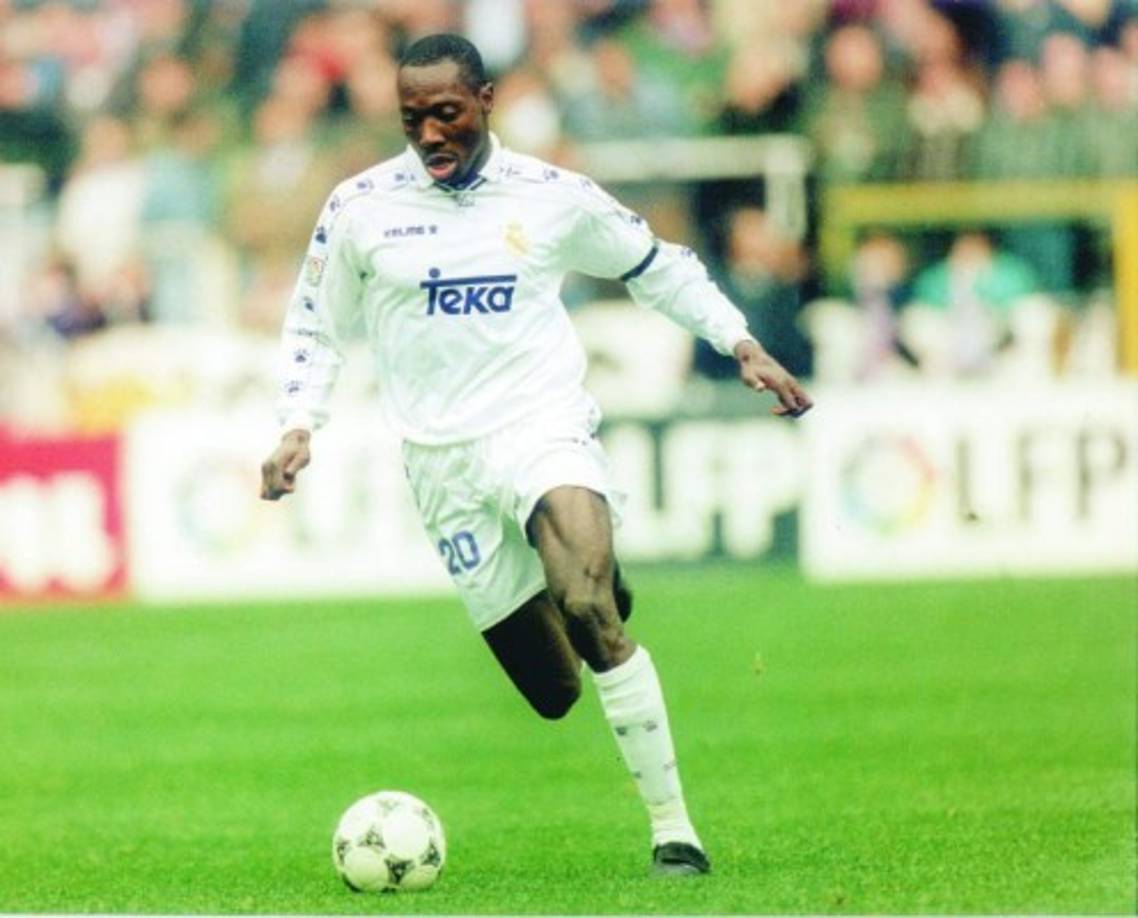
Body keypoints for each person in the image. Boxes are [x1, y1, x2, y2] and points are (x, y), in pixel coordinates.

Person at [259, 33, 812, 877]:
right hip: (441, 465)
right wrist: (299, 423)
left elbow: (655, 265)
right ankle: (586, 580)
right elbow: (314, 324)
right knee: (555, 691)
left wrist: (740, 341)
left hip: (539, 426)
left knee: (592, 612)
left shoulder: (552, 196)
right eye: (413, 120)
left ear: (486, 99)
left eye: (447, 113)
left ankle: (674, 830)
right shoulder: (361, 207)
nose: (431, 134)